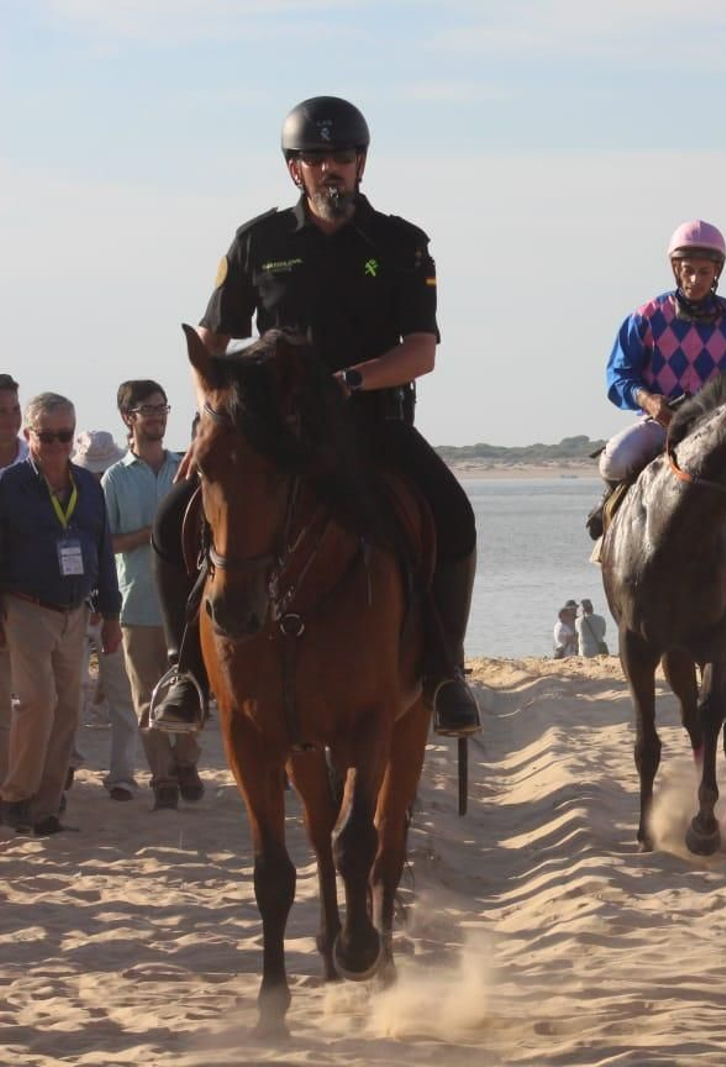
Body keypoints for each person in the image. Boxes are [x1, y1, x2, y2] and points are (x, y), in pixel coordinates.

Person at [147, 95, 481, 738]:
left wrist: (350, 381)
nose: (333, 168)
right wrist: (209, 420)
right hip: (274, 435)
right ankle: (183, 671)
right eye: (317, 158)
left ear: (362, 164)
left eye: (344, 157)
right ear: (293, 169)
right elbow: (209, 348)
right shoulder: (257, 241)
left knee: (455, 516)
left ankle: (445, 673)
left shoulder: (402, 243)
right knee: (172, 521)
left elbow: (421, 353)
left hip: (372, 425)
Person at [588, 220, 726, 538]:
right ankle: (610, 517)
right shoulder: (645, 317)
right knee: (614, 461)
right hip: (662, 425)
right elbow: (617, 375)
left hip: (719, 434)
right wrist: (647, 399)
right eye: (688, 270)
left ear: (717, 273)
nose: (695, 280)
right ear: (675, 269)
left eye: (704, 271)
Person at [0, 394, 122, 835]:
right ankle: (15, 796)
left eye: (65, 435)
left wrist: (110, 615)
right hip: (25, 607)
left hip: (76, 611)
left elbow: (103, 552)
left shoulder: (89, 487)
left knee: (69, 709)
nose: (56, 444)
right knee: (36, 704)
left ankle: (46, 809)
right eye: (47, 435)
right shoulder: (8, 487)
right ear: (29, 435)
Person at [101, 381, 204, 811]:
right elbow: (105, 541)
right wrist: (154, 533)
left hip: (186, 604)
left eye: (163, 408)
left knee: (190, 688)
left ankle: (186, 763)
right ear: (129, 417)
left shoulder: (185, 468)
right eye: (149, 409)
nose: (159, 416)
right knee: (147, 696)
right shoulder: (115, 478)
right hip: (139, 602)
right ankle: (161, 777)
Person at [70, 430, 141, 803]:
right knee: (73, 692)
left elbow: (113, 550)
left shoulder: (114, 490)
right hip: (76, 607)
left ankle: (122, 775)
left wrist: (108, 609)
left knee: (121, 695)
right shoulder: (68, 494)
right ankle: (67, 762)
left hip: (114, 606)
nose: (98, 476)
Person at [0, 373, 29, 780]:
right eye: (1, 411)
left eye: (15, 410)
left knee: (32, 702)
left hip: (30, 603)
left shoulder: (41, 463)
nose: (9, 420)